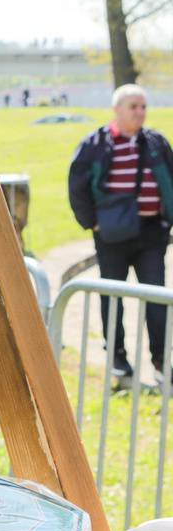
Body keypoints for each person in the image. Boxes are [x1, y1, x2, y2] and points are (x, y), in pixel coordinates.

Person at [68, 83, 173, 390]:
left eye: (143, 106)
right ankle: (117, 359)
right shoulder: (95, 144)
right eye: (133, 106)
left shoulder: (156, 143)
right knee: (112, 296)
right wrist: (92, 223)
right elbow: (77, 185)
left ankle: (161, 360)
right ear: (117, 109)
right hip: (112, 236)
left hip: (152, 233)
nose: (140, 112)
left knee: (156, 296)